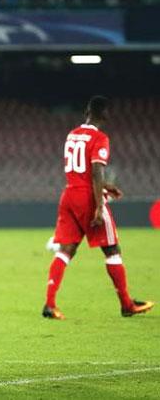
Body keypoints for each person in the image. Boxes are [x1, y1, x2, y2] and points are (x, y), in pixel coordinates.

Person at [44, 96, 154, 319]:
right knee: (112, 249)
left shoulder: (72, 134)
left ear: (87, 111)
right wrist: (99, 203)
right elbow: (95, 170)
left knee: (66, 250)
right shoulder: (100, 138)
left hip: (69, 194)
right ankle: (126, 305)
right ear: (104, 114)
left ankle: (49, 303)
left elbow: (80, 169)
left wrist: (106, 186)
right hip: (87, 197)